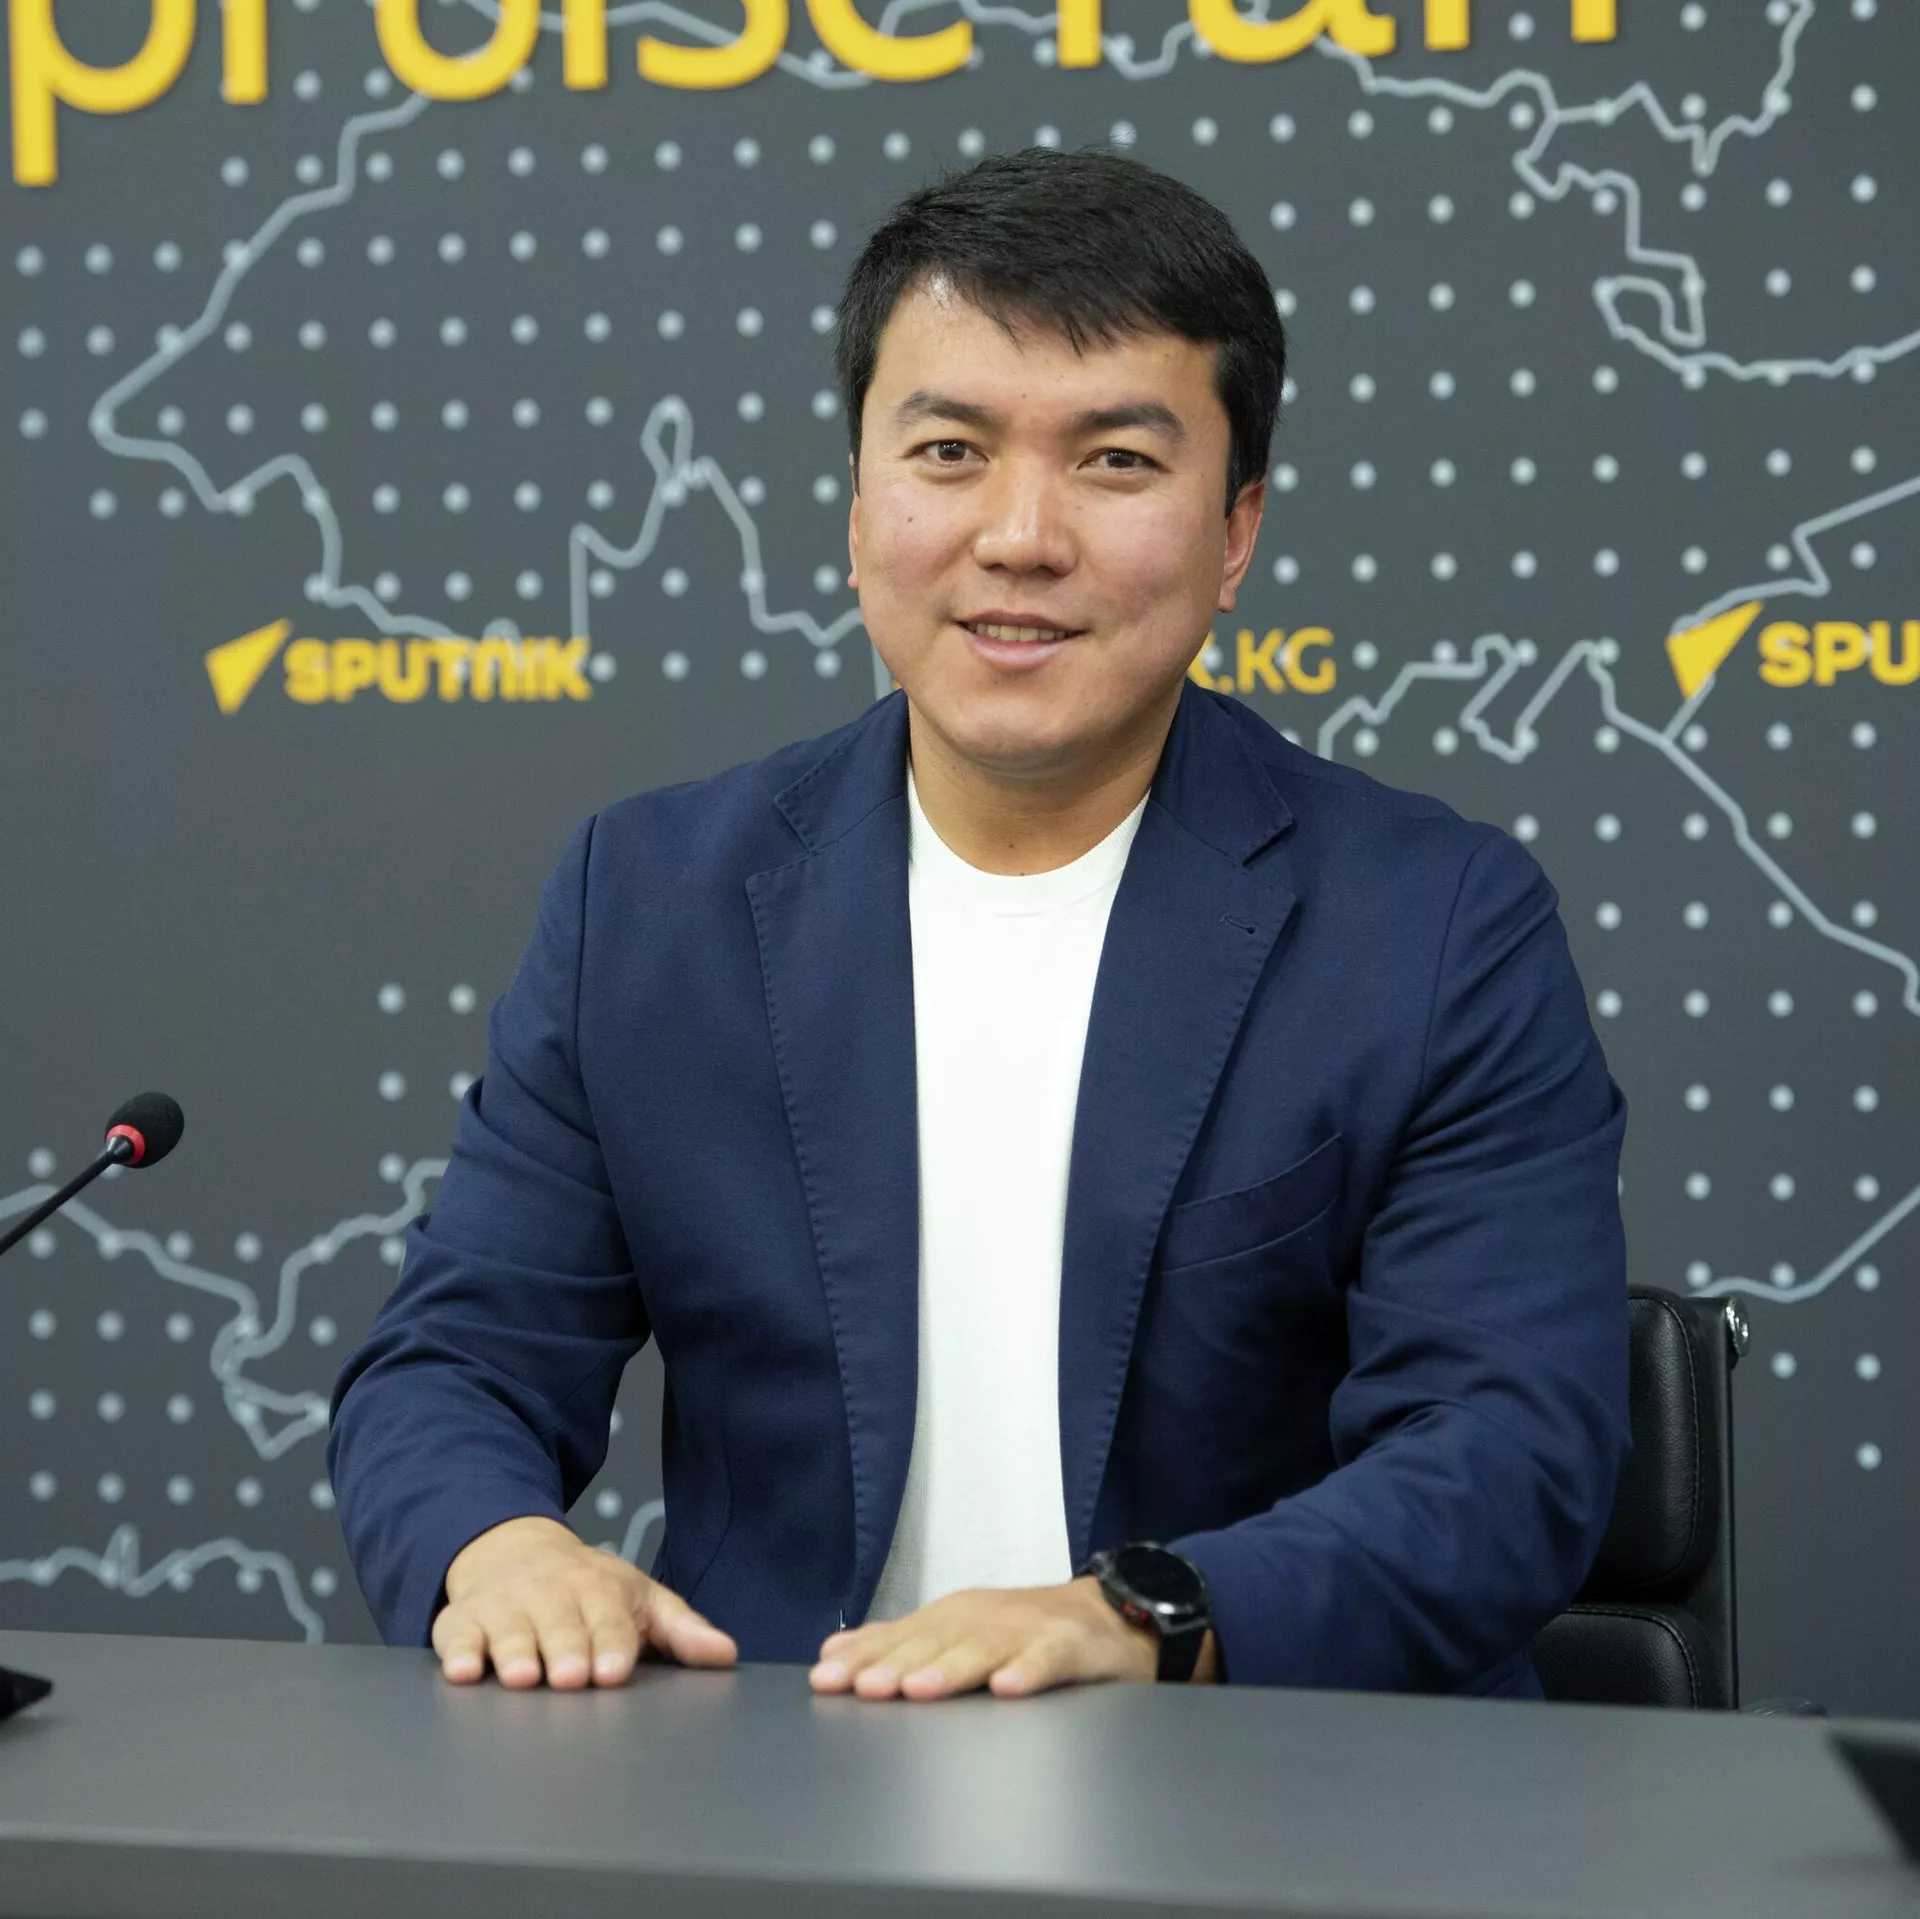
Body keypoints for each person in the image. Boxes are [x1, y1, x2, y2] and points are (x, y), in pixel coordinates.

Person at [328, 147, 1628, 1704]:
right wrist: (499, 1546)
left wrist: (1141, 1617)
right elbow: (453, 1361)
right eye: (949, 451)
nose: (1020, 535)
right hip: (776, 1780)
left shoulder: (1433, 926)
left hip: (1265, 1777)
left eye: (1115, 461)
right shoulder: (651, 900)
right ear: (858, 505)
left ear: (1235, 534)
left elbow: (1507, 1452)